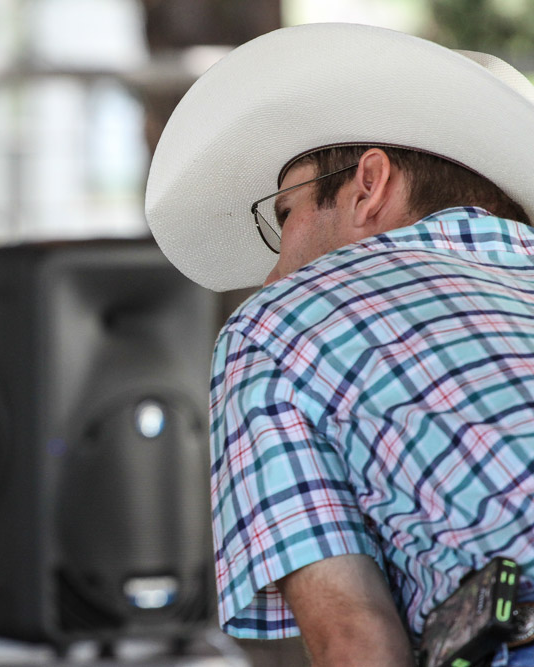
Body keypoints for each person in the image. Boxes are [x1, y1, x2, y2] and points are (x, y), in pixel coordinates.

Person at [145, 23, 534, 667]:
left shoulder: (274, 326)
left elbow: (355, 641)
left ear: (369, 184)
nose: (274, 275)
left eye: (284, 213)